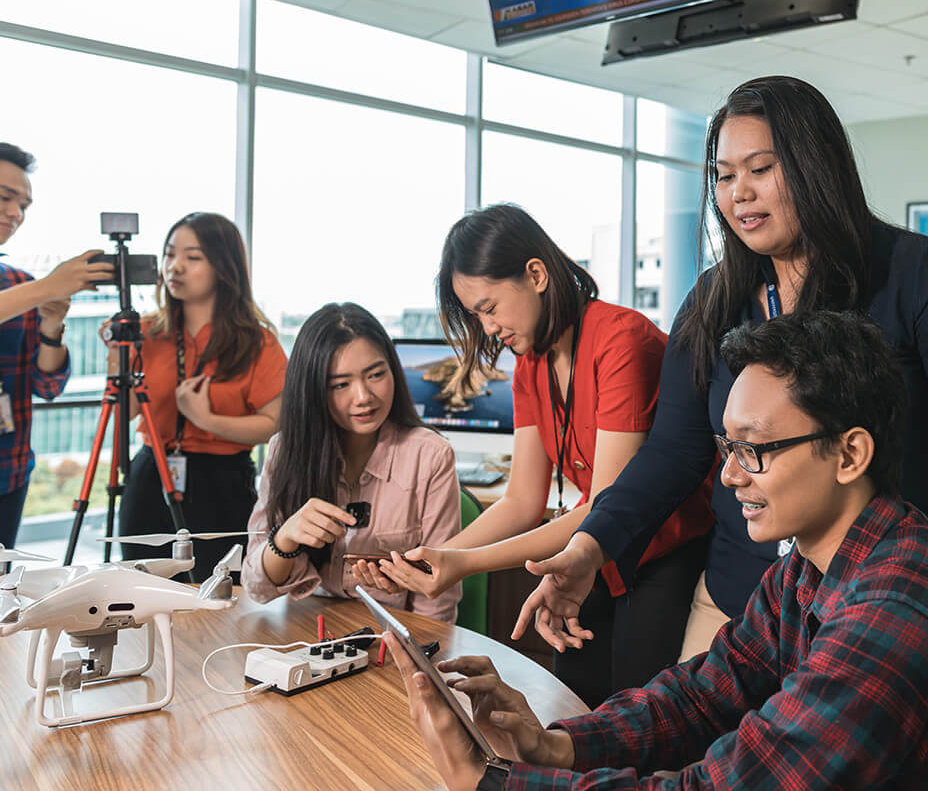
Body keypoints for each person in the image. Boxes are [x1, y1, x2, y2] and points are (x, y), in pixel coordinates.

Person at [390, 311, 928, 790]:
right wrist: (556, 746)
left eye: (755, 449)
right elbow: (705, 694)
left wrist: (491, 784)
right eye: (726, 447)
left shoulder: (893, 609)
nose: (731, 475)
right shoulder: (805, 570)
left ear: (850, 453)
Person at [516, 75, 928, 662]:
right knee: (678, 747)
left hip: (879, 609)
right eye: (725, 176)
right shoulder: (714, 300)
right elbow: (673, 454)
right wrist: (590, 546)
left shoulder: (910, 273)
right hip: (740, 605)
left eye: (760, 169)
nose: (739, 194)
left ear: (816, 166)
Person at [379, 205, 714, 706]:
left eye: (489, 307)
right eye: (476, 316)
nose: (488, 328)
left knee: (636, 711)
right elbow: (521, 500)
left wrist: (463, 565)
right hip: (594, 553)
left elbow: (606, 508)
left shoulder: (621, 341)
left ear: (535, 274)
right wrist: (440, 556)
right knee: (572, 699)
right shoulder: (528, 366)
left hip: (663, 551)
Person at [0, 140, 115, 591]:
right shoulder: (21, 287)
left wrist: (51, 325)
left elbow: (47, 383)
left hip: (4, 475)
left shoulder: (17, 282)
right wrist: (43, 289)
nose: (16, 212)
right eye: (4, 196)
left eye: (25, 204)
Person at [241, 302, 462, 622]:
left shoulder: (430, 457)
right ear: (314, 390)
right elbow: (256, 587)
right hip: (302, 634)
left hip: (389, 639)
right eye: (341, 385)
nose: (363, 397)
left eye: (375, 375)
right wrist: (285, 538)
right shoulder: (285, 451)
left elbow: (437, 603)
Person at [113, 212, 285, 582]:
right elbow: (122, 417)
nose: (175, 267)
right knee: (141, 594)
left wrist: (207, 420)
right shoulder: (143, 332)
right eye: (170, 254)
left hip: (223, 484)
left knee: (221, 596)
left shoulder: (256, 341)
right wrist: (118, 357)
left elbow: (274, 425)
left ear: (223, 266)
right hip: (151, 477)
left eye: (193, 258)